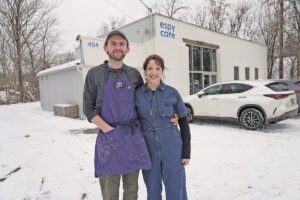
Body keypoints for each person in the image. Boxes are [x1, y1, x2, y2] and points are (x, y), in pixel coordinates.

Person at [83, 30, 152, 200]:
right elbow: (88, 109)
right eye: (113, 43)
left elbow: (144, 104)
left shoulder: (134, 75)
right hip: (109, 142)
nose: (118, 47)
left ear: (128, 49)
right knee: (110, 193)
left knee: (131, 192)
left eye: (122, 44)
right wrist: (109, 130)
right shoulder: (94, 74)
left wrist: (169, 116)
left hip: (132, 139)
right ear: (105, 47)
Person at [135, 55, 191, 200]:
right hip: (148, 149)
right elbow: (132, 119)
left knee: (175, 189)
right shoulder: (137, 94)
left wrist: (186, 152)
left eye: (157, 68)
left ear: (162, 71)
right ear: (145, 71)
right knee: (152, 191)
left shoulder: (172, 92)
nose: (154, 72)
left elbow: (184, 121)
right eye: (150, 68)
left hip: (171, 147)